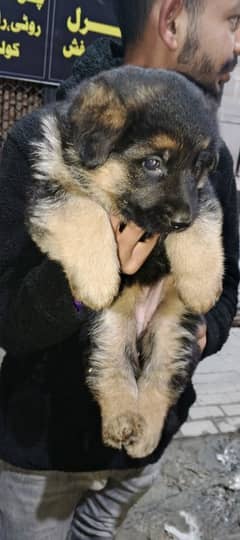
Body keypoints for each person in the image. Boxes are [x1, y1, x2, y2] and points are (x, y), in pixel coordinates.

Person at [0, 0, 239, 538]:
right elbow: (6, 319)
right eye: (233, 20)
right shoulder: (40, 137)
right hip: (40, 458)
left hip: (146, 449)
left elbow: (222, 293)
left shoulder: (204, 146)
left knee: (101, 528)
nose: (239, 42)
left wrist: (194, 336)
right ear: (173, 20)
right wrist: (82, 286)